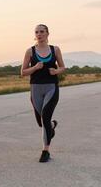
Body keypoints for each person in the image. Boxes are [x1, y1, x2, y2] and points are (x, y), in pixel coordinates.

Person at [21, 24, 65, 162]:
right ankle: (51, 126)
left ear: (47, 33)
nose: (39, 34)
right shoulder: (30, 51)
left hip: (51, 87)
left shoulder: (55, 49)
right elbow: (23, 72)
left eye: (42, 32)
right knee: (42, 123)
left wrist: (56, 71)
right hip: (36, 88)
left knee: (45, 116)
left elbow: (63, 67)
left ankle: (45, 151)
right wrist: (34, 67)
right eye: (36, 32)